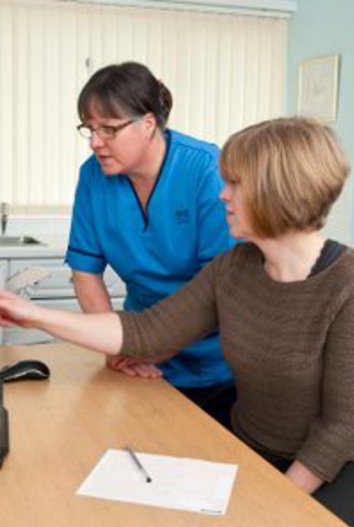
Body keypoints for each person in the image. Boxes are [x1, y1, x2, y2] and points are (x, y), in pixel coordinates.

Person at [0, 117, 354, 527]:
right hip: (250, 447)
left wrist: (275, 501)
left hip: (339, 466)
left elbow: (344, 426)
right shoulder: (235, 268)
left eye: (235, 184)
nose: (222, 196)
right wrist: (34, 315)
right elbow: (146, 332)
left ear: (277, 191)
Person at [66, 61, 235, 427]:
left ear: (147, 123)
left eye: (109, 129)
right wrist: (115, 345)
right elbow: (85, 272)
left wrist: (152, 349)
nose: (96, 142)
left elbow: (218, 287)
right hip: (136, 357)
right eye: (90, 129)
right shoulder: (93, 176)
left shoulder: (206, 170)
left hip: (216, 366)